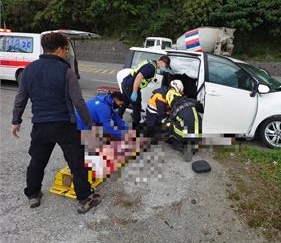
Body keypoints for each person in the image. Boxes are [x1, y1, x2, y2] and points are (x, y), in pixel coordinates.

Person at [11, 32, 101, 214]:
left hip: (40, 125)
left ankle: (33, 194)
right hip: (64, 125)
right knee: (76, 162)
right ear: (59, 49)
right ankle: (84, 199)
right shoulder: (66, 71)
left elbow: (20, 98)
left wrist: (16, 121)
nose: (67, 53)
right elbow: (79, 102)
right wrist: (90, 124)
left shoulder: (29, 70)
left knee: (37, 161)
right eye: (66, 49)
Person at [118, 55, 171, 129]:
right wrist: (134, 92)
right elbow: (139, 77)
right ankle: (136, 127)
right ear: (161, 62)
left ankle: (117, 120)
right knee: (137, 107)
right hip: (131, 86)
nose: (164, 68)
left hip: (126, 82)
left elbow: (144, 74)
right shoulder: (151, 68)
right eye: (165, 66)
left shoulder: (151, 63)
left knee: (125, 103)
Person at [166, 90, 203, 161]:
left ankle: (180, 146)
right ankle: (193, 146)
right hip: (198, 133)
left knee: (169, 125)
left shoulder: (173, 110)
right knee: (195, 119)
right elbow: (201, 108)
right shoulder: (190, 100)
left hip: (185, 135)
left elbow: (170, 121)